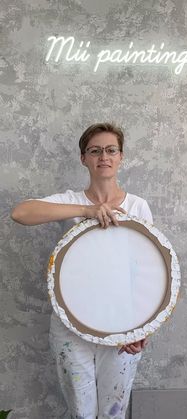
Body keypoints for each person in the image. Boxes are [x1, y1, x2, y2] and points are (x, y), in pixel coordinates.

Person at [11, 122, 153, 419]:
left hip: (122, 325)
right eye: (95, 150)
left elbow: (146, 272)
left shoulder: (138, 206)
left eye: (111, 150)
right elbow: (21, 213)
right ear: (83, 158)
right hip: (70, 325)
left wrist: (144, 326)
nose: (104, 156)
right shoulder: (71, 201)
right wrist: (86, 211)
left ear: (121, 157)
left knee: (114, 411)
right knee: (82, 413)